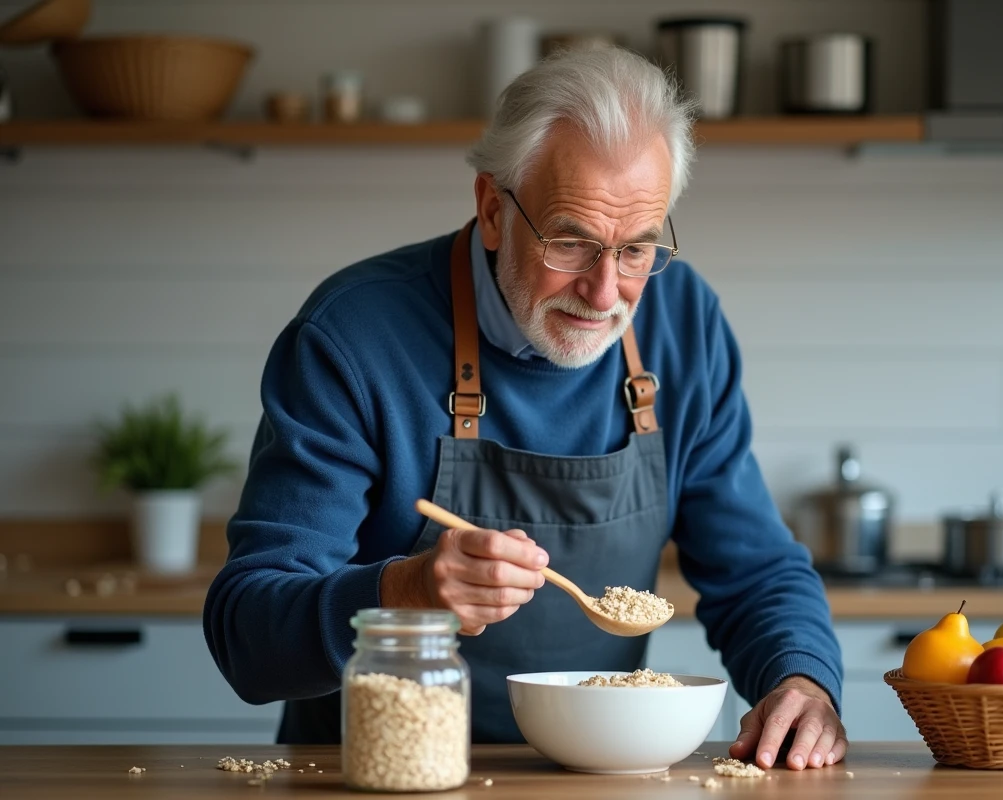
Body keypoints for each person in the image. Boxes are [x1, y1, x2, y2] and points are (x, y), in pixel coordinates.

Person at [203, 45, 846, 771]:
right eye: (571, 242)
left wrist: (803, 680)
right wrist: (403, 594)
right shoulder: (353, 335)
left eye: (636, 249)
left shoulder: (684, 321)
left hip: (594, 780)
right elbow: (244, 636)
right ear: (490, 209)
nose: (605, 294)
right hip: (371, 775)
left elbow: (755, 570)